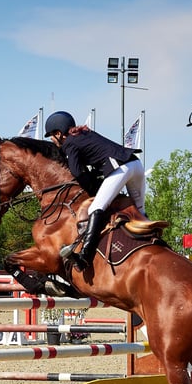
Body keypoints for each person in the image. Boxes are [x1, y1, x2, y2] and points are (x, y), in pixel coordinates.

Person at [44, 110, 146, 271]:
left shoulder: (70, 143)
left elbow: (77, 172)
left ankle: (85, 257)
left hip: (121, 168)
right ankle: (151, 245)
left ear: (58, 133)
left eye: (51, 135)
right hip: (136, 164)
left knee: (95, 208)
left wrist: (91, 189)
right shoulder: (84, 133)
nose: (51, 139)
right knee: (140, 213)